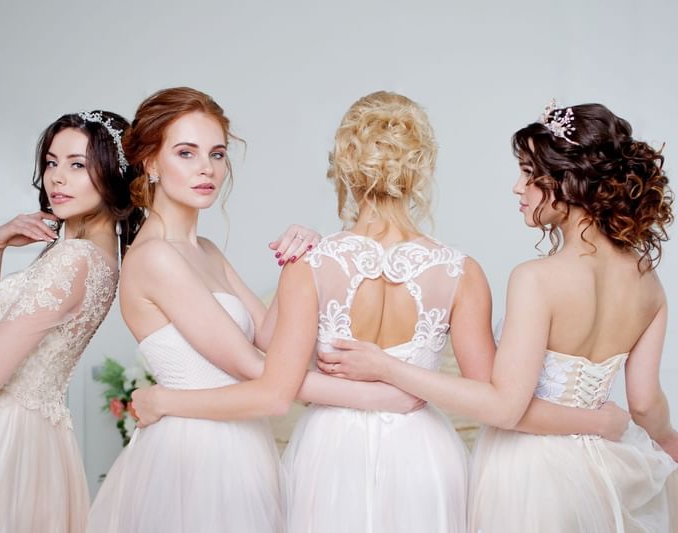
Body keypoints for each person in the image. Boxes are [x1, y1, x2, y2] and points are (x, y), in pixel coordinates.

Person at [129, 92, 629, 533]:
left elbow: (273, 372)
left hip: (331, 448)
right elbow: (492, 396)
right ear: (419, 170)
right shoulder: (462, 271)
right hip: (424, 451)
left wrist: (298, 262)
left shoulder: (313, 266)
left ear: (344, 167)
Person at [319, 101, 678, 532]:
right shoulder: (648, 284)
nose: (518, 187)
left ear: (567, 183)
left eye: (528, 173)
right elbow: (643, 401)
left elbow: (504, 407)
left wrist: (385, 367)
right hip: (607, 466)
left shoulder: (537, 279)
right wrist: (667, 441)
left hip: (531, 473)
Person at [85, 87, 428, 533]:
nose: (206, 168)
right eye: (186, 153)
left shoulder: (203, 249)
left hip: (240, 442)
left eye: (217, 153)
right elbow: (260, 372)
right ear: (151, 162)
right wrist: (380, 397)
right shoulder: (155, 258)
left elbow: (268, 335)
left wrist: (300, 258)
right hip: (196, 453)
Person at [0, 110, 141, 533]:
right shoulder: (90, 258)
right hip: (26, 434)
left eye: (78, 164)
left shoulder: (74, 261)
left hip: (4, 438)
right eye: (52, 162)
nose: (57, 178)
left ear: (112, 173)